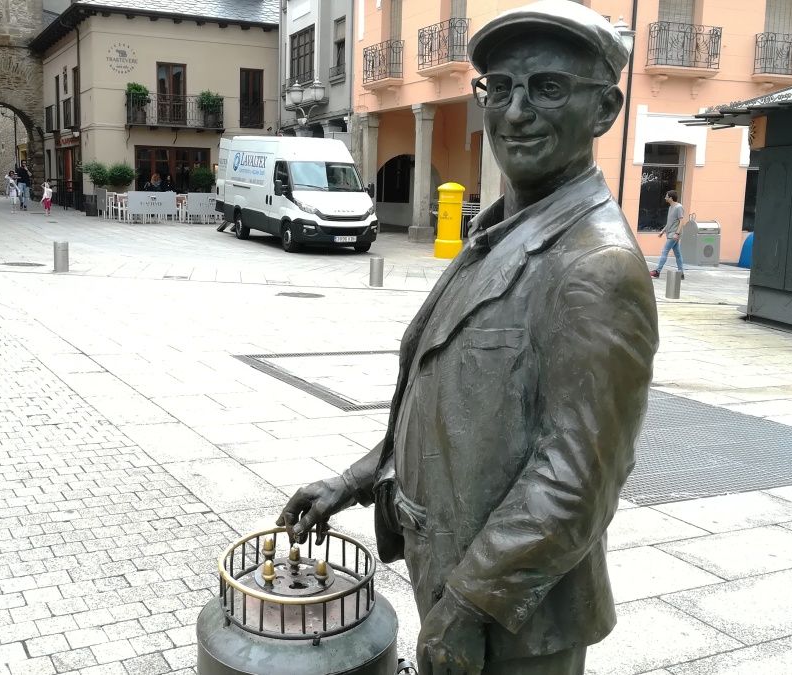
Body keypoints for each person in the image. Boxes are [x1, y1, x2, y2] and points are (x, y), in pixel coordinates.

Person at [276, 3, 658, 674]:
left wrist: (468, 604)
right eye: (501, 87)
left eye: (547, 87)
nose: (515, 111)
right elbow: (444, 403)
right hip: (462, 585)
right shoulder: (498, 231)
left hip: (517, 620)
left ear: (604, 110)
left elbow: (578, 479)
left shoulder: (595, 267)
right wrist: (354, 479)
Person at [651, 190, 686, 279]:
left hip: (674, 234)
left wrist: (677, 234)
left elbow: (681, 221)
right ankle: (681, 273)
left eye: (666, 196)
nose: (665, 198)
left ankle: (657, 271)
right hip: (670, 233)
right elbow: (670, 222)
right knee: (677, 254)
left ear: (671, 198)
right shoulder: (671, 207)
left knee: (665, 251)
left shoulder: (679, 207)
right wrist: (663, 231)